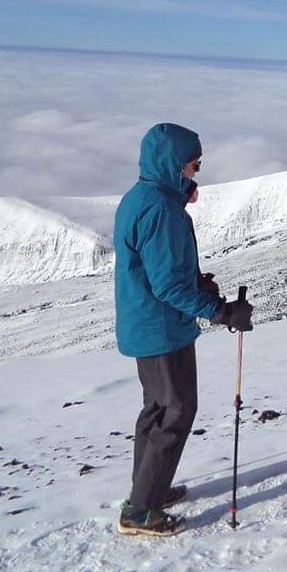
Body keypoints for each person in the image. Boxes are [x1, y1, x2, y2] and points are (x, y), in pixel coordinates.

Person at [113, 123, 253, 536]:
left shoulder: (142, 197)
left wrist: (198, 284)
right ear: (174, 164)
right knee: (175, 412)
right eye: (193, 164)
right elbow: (168, 285)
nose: (196, 172)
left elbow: (160, 271)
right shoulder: (161, 210)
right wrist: (220, 311)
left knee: (156, 410)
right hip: (162, 329)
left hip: (147, 324)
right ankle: (140, 511)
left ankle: (148, 489)